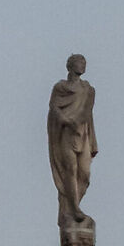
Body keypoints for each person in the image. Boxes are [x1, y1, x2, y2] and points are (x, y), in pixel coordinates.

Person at [47, 54, 97, 224]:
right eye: (79, 62)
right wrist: (66, 120)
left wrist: (77, 122)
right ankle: (74, 209)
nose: (83, 65)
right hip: (66, 133)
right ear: (70, 65)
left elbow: (87, 111)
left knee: (84, 174)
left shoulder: (88, 90)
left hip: (82, 133)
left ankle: (71, 205)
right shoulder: (60, 88)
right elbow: (54, 108)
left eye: (84, 63)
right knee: (70, 169)